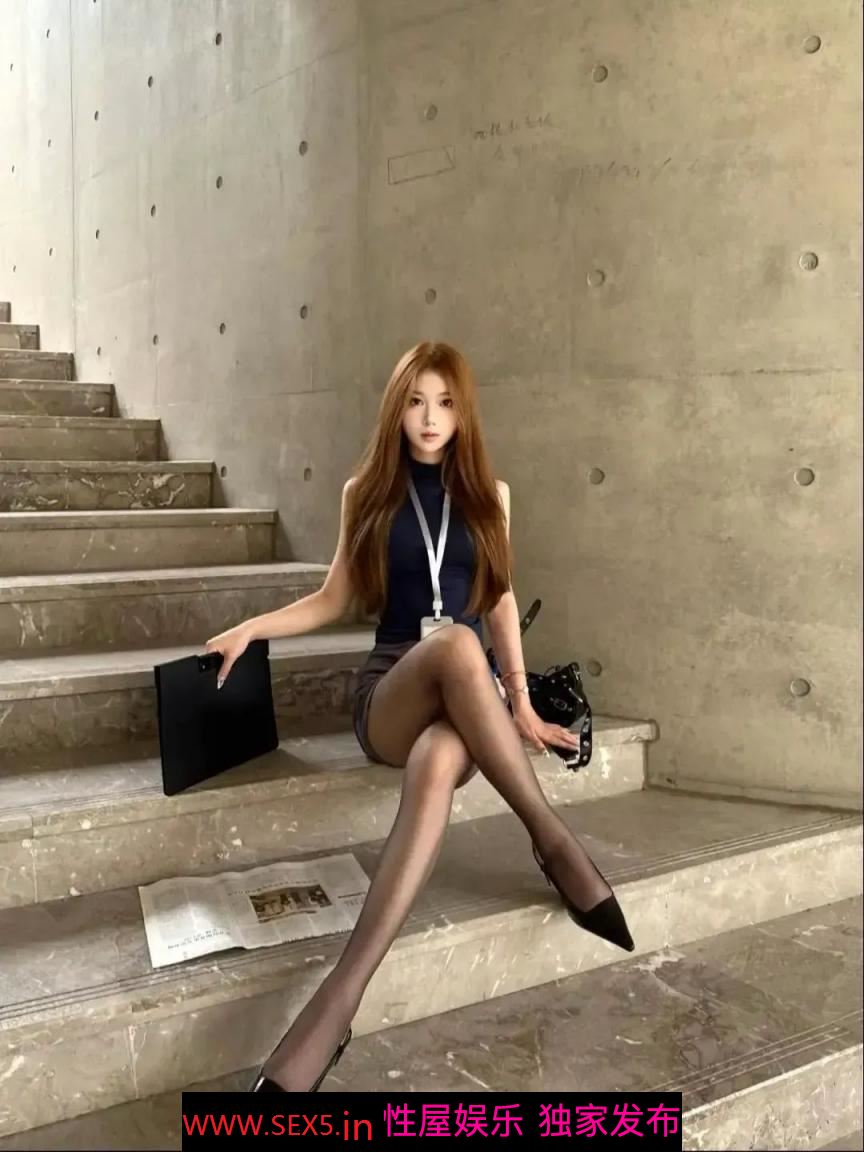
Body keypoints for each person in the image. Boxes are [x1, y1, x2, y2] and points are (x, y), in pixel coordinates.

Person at [205, 341, 634, 1094]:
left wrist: (521, 704)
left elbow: (499, 598)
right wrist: (252, 627)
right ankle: (552, 840)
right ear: (395, 409)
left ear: (463, 413)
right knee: (457, 648)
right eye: (415, 401)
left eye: (444, 402)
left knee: (443, 748)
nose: (429, 418)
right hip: (391, 691)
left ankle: (338, 1003)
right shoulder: (366, 491)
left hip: (464, 704)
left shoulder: (491, 495)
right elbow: (333, 600)